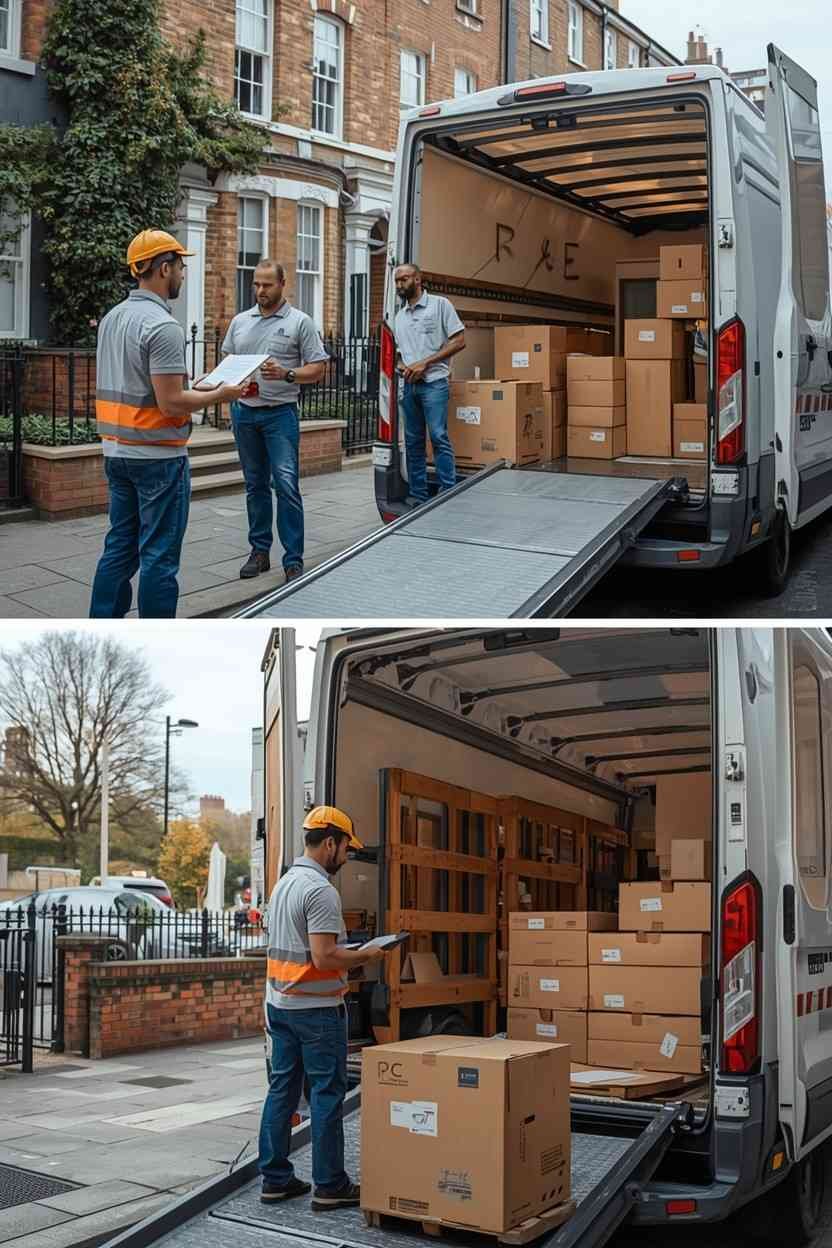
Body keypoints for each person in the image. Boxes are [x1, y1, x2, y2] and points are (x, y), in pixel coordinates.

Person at [90, 229, 247, 618]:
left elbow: (141, 383)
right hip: (158, 458)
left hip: (116, 452)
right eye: (180, 265)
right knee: (159, 555)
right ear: (163, 268)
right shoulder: (163, 327)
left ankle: (103, 619)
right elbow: (172, 402)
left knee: (119, 547)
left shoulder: (112, 318)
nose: (182, 273)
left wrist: (195, 386)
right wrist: (219, 395)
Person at [259, 806, 386, 1209]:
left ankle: (275, 1179)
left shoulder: (284, 885)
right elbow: (324, 957)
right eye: (346, 847)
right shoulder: (321, 891)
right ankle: (330, 1185)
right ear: (330, 842)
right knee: (327, 1095)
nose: (347, 856)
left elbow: (299, 949)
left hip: (281, 1006)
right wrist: (367, 954)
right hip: (315, 1011)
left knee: (282, 1090)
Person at [222, 260, 329, 582]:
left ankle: (293, 559)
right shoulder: (240, 322)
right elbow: (228, 361)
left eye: (267, 285)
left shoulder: (300, 322)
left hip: (279, 415)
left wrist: (287, 373)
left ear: (283, 284)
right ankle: (259, 552)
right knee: (254, 486)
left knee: (285, 486)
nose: (260, 291)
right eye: (256, 284)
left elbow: (319, 368)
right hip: (244, 412)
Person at [393, 264, 466, 505]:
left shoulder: (440, 305)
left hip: (435, 383)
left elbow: (459, 341)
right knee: (413, 441)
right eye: (397, 281)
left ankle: (448, 491)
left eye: (404, 279)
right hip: (410, 387)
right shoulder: (399, 318)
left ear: (417, 279)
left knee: (438, 436)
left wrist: (425, 363)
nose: (400, 285)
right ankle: (418, 494)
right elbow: (400, 355)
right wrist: (404, 366)